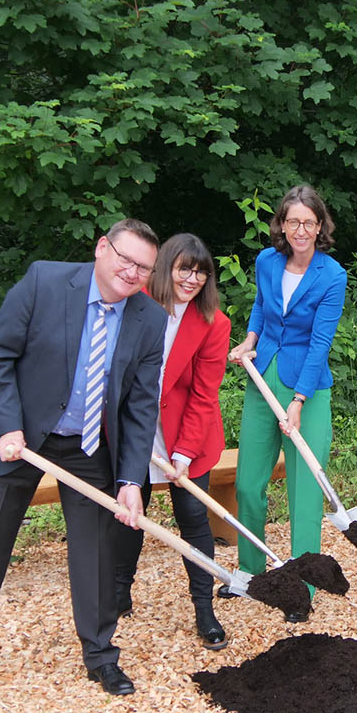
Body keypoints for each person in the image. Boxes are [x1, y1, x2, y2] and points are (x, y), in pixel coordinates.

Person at [0, 219, 167, 698]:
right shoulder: (45, 281)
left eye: (143, 268)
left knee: (97, 553)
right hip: (20, 437)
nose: (131, 272)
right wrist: (8, 424)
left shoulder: (149, 319)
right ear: (102, 248)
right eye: (125, 259)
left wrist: (130, 479)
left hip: (86, 446)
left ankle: (101, 654)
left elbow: (141, 405)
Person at [226, 185, 347, 622]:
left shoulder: (332, 276)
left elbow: (320, 342)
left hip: (307, 389)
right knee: (247, 483)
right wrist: (250, 340)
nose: (300, 230)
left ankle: (303, 587)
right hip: (263, 380)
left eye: (309, 223)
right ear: (281, 224)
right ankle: (251, 569)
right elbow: (260, 306)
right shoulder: (266, 261)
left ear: (320, 227)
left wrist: (299, 399)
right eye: (292, 221)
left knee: (304, 492)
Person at [112, 233, 232, 650]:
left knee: (193, 518)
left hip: (186, 431)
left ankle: (204, 609)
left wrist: (183, 452)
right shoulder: (133, 302)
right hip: (134, 424)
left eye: (201, 271)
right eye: (185, 268)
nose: (193, 278)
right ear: (166, 267)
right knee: (128, 511)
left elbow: (204, 394)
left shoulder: (214, 323)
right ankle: (117, 595)